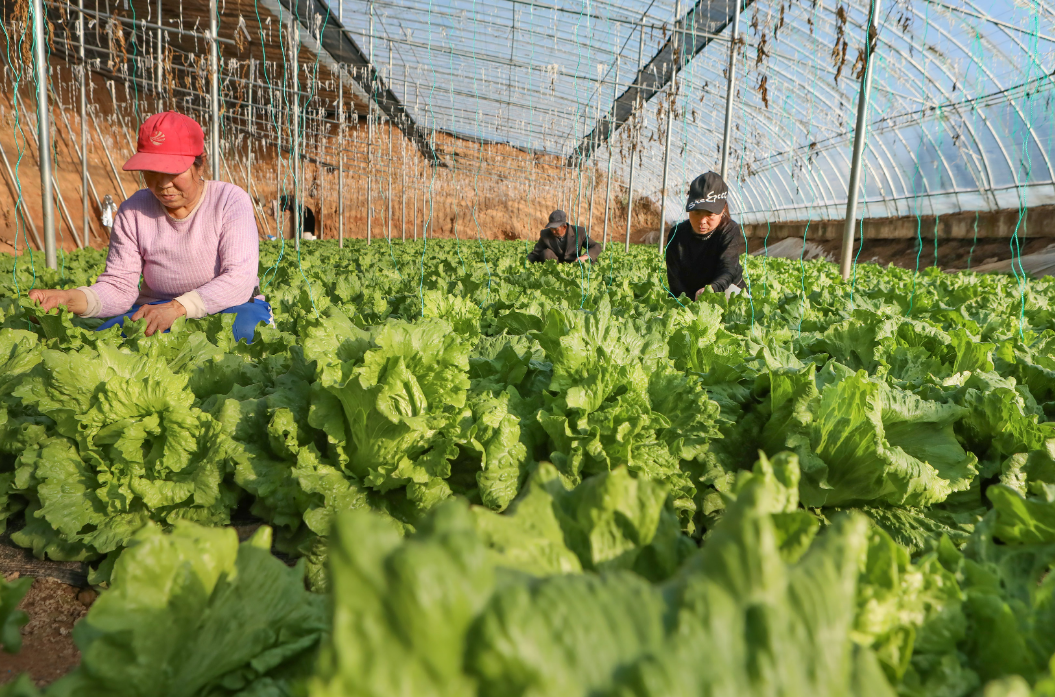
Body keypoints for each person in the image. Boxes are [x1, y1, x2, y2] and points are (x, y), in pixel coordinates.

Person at [28, 111, 271, 342]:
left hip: (233, 307)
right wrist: (68, 299)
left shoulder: (229, 200)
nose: (163, 184)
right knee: (105, 341)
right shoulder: (133, 211)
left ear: (200, 164)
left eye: (174, 171)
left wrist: (178, 308)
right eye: (152, 171)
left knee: (247, 334)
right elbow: (119, 287)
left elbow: (239, 279)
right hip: (157, 308)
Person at [665, 171, 746, 301]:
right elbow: (674, 280)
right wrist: (687, 303)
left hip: (724, 291)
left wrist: (711, 289)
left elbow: (728, 269)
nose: (702, 221)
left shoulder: (729, 230)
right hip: (690, 294)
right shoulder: (677, 234)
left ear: (722, 211)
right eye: (696, 213)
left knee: (733, 297)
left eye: (709, 214)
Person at [527, 209, 601, 264]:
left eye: (556, 229)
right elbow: (536, 253)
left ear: (564, 227)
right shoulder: (545, 234)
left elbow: (596, 246)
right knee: (546, 253)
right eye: (551, 228)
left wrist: (585, 256)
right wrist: (525, 263)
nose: (553, 231)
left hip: (574, 264)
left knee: (592, 258)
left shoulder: (579, 232)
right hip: (555, 266)